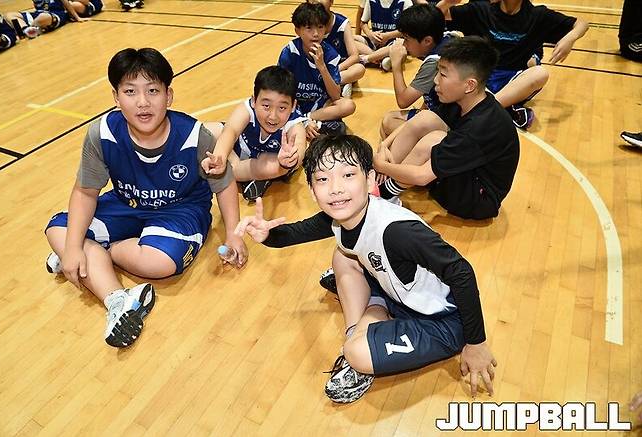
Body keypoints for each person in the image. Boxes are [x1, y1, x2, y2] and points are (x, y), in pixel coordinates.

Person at [236, 134, 497, 404]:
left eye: (348, 175)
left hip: (444, 321)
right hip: (397, 295)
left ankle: (361, 339)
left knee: (357, 354)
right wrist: (266, 234)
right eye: (323, 179)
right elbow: (293, 233)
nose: (336, 188)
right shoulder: (339, 218)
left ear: (370, 179)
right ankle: (360, 329)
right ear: (312, 191)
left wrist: (476, 343)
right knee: (342, 256)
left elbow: (461, 272)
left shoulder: (398, 232)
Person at [44, 48, 247, 348]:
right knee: (58, 231)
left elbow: (225, 184)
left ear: (169, 96)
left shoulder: (194, 135)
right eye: (130, 91)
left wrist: (233, 234)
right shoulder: (102, 133)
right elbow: (85, 192)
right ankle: (117, 299)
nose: (142, 102)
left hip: (181, 210)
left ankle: (96, 253)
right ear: (116, 97)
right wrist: (73, 247)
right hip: (126, 203)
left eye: (153, 90)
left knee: (159, 263)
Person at [376, 37, 519, 220]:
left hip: (476, 199)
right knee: (426, 118)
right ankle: (382, 181)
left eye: (443, 75)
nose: (435, 80)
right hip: (464, 173)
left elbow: (422, 176)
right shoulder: (464, 100)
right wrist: (384, 146)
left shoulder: (479, 127)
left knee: (433, 141)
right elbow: (418, 120)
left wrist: (382, 165)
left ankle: (384, 193)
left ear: (469, 85)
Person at [436, 0, 588, 129]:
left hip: (511, 82)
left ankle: (481, 110)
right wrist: (447, 2)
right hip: (479, 78)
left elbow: (582, 24)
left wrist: (570, 38)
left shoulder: (538, 15)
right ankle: (503, 109)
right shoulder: (481, 10)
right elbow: (436, 17)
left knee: (540, 73)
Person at [201, 65, 307, 201]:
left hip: (267, 162)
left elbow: (300, 147)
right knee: (204, 131)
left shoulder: (294, 125)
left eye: (282, 108)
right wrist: (219, 157)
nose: (273, 116)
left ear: (293, 106)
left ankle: (257, 175)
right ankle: (244, 175)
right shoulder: (247, 109)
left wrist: (290, 160)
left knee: (269, 165)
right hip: (240, 151)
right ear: (254, 101)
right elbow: (231, 131)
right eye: (266, 106)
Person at [278, 2, 356, 141]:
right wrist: (296, 115)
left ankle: (308, 121)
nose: (315, 34)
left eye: (320, 27)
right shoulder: (290, 53)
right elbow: (281, 92)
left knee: (348, 105)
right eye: (309, 28)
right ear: (297, 31)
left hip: (319, 106)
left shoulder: (330, 54)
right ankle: (312, 124)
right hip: (295, 105)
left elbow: (335, 95)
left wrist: (322, 67)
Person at [379, 3, 457, 140]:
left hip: (450, 126)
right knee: (389, 125)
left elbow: (403, 100)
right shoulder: (448, 38)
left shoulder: (434, 62)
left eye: (406, 39)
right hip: (447, 114)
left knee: (389, 123)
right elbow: (430, 94)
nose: (404, 44)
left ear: (427, 41)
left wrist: (396, 64)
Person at [309, 0, 366, 98]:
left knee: (359, 69)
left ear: (331, 2)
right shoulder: (306, 26)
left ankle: (333, 83)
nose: (318, 1)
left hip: (341, 68)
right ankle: (340, 84)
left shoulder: (341, 23)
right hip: (318, 70)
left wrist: (333, 71)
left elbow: (354, 56)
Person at [354, 0, 412, 71]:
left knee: (401, 49)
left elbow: (408, 29)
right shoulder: (371, 1)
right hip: (375, 40)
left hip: (394, 41)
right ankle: (378, 58)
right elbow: (363, 23)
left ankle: (365, 59)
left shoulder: (405, 2)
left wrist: (387, 36)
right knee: (352, 39)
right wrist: (370, 34)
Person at [6, 0, 83, 38]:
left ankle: (32, 29)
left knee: (43, 17)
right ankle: (26, 29)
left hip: (56, 13)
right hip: (38, 14)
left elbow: (66, 3)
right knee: (9, 15)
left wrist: (77, 17)